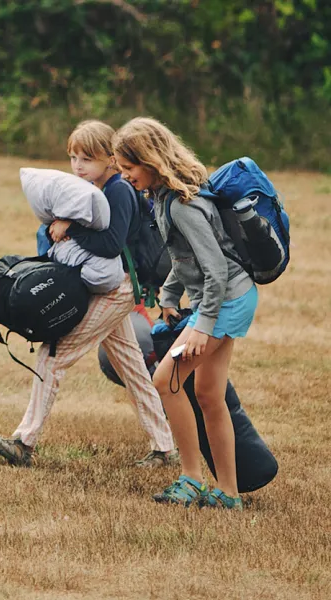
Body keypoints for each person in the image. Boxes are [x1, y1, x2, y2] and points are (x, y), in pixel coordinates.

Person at [0, 121, 176, 468]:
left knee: (53, 354)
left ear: (111, 160)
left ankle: (24, 443)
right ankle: (164, 446)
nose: (78, 166)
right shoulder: (91, 189)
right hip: (111, 286)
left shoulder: (118, 191)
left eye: (87, 158)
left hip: (117, 290)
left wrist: (69, 228)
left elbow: (110, 244)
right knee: (132, 367)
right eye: (73, 157)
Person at [114, 117, 255, 510]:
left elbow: (216, 270)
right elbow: (185, 257)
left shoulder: (183, 205)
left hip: (226, 299)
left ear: (151, 161)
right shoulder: (163, 199)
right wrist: (172, 294)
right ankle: (228, 494)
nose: (125, 177)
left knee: (165, 380)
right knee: (208, 394)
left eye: (129, 168)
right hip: (228, 297)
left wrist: (201, 326)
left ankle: (191, 477)